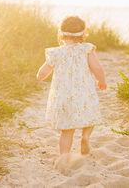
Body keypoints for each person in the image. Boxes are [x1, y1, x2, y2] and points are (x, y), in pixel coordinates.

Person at [36, 15, 106, 156]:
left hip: (64, 97)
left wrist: (40, 76)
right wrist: (101, 81)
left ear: (61, 34)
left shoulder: (57, 53)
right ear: (83, 34)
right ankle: (85, 136)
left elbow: (43, 72)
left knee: (66, 131)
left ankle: (64, 157)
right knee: (90, 116)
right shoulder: (86, 49)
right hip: (84, 94)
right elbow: (97, 68)